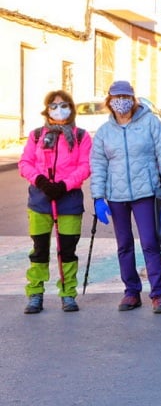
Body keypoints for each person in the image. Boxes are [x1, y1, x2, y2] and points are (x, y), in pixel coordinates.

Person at [90, 80, 161, 313]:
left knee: (150, 242)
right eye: (117, 97)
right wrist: (98, 197)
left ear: (133, 99)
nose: (122, 101)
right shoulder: (104, 132)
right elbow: (97, 164)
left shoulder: (150, 122)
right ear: (109, 101)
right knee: (124, 245)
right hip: (116, 196)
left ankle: (158, 294)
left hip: (145, 192)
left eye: (126, 96)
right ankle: (131, 292)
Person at [19, 91, 91, 314]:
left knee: (67, 251)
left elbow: (85, 166)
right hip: (40, 201)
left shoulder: (81, 136)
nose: (59, 109)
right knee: (39, 250)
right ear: (47, 109)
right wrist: (40, 180)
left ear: (71, 108)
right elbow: (25, 163)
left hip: (68, 201)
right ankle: (35, 293)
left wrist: (64, 185)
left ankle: (68, 293)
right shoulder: (36, 135)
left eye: (64, 105)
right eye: (54, 105)